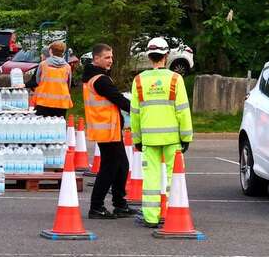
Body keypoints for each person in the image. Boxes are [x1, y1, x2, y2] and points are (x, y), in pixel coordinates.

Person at [131, 37, 193, 227]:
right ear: (166, 56)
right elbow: (183, 110)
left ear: (149, 57)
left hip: (149, 138)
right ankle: (171, 213)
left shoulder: (139, 80)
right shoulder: (176, 79)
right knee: (174, 177)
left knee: (151, 178)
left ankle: (151, 217)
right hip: (172, 138)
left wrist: (137, 139)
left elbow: (135, 113)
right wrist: (186, 137)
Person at [83, 44, 135, 219]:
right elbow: (119, 99)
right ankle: (96, 207)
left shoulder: (96, 77)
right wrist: (141, 110)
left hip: (109, 129)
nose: (110, 61)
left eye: (111, 57)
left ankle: (120, 204)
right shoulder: (100, 80)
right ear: (96, 58)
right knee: (109, 168)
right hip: (107, 130)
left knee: (121, 166)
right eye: (107, 57)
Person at [32, 41, 73, 117]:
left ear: (50, 51)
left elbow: (38, 81)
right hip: (61, 103)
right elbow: (68, 84)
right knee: (59, 126)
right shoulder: (67, 67)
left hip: (44, 102)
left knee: (43, 126)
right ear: (63, 53)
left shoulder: (43, 65)